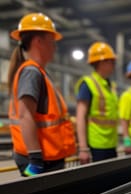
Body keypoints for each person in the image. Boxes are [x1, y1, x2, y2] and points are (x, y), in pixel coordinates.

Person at [7, 12, 76, 177]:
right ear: (38, 42)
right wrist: (35, 159)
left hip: (47, 157)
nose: (55, 47)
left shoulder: (39, 72)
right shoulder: (32, 72)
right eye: (52, 42)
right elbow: (25, 116)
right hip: (40, 160)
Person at [75, 42, 118, 164]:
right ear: (101, 62)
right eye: (110, 61)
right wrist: (83, 148)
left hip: (111, 142)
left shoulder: (111, 86)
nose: (113, 65)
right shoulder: (88, 84)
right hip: (96, 144)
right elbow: (80, 117)